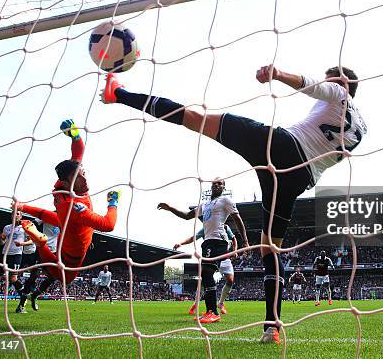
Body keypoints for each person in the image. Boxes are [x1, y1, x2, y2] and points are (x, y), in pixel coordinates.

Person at [101, 64, 366, 343]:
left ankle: (118, 94)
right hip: (298, 179)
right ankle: (272, 327)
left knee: (195, 118)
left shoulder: (338, 92)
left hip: (281, 146)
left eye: (331, 79)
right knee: (269, 248)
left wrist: (278, 74)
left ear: (341, 81)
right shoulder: (362, 128)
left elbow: (311, 84)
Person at [12, 119, 120, 312]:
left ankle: (40, 242)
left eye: (84, 172)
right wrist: (113, 203)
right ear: (66, 181)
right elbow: (108, 224)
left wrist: (74, 134)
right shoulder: (73, 207)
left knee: (50, 265)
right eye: (79, 176)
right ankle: (40, 241)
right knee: (65, 277)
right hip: (70, 256)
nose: (84, 178)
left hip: (65, 235)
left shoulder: (68, 185)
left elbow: (79, 150)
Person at [159, 179, 248, 323]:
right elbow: (187, 216)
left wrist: (245, 240)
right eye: (215, 183)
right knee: (205, 273)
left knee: (206, 272)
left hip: (219, 241)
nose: (217, 185)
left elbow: (237, 218)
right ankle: (210, 311)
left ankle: (212, 311)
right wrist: (170, 208)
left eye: (220, 183)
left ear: (223, 187)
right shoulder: (204, 204)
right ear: (211, 186)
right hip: (207, 242)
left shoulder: (225, 200)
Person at [175, 223, 238, 315]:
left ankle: (220, 303)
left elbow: (233, 239)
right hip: (211, 255)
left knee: (230, 280)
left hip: (224, 257)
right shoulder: (206, 227)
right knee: (205, 279)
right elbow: (194, 237)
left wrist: (235, 250)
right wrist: (181, 243)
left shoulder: (225, 227)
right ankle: (196, 304)